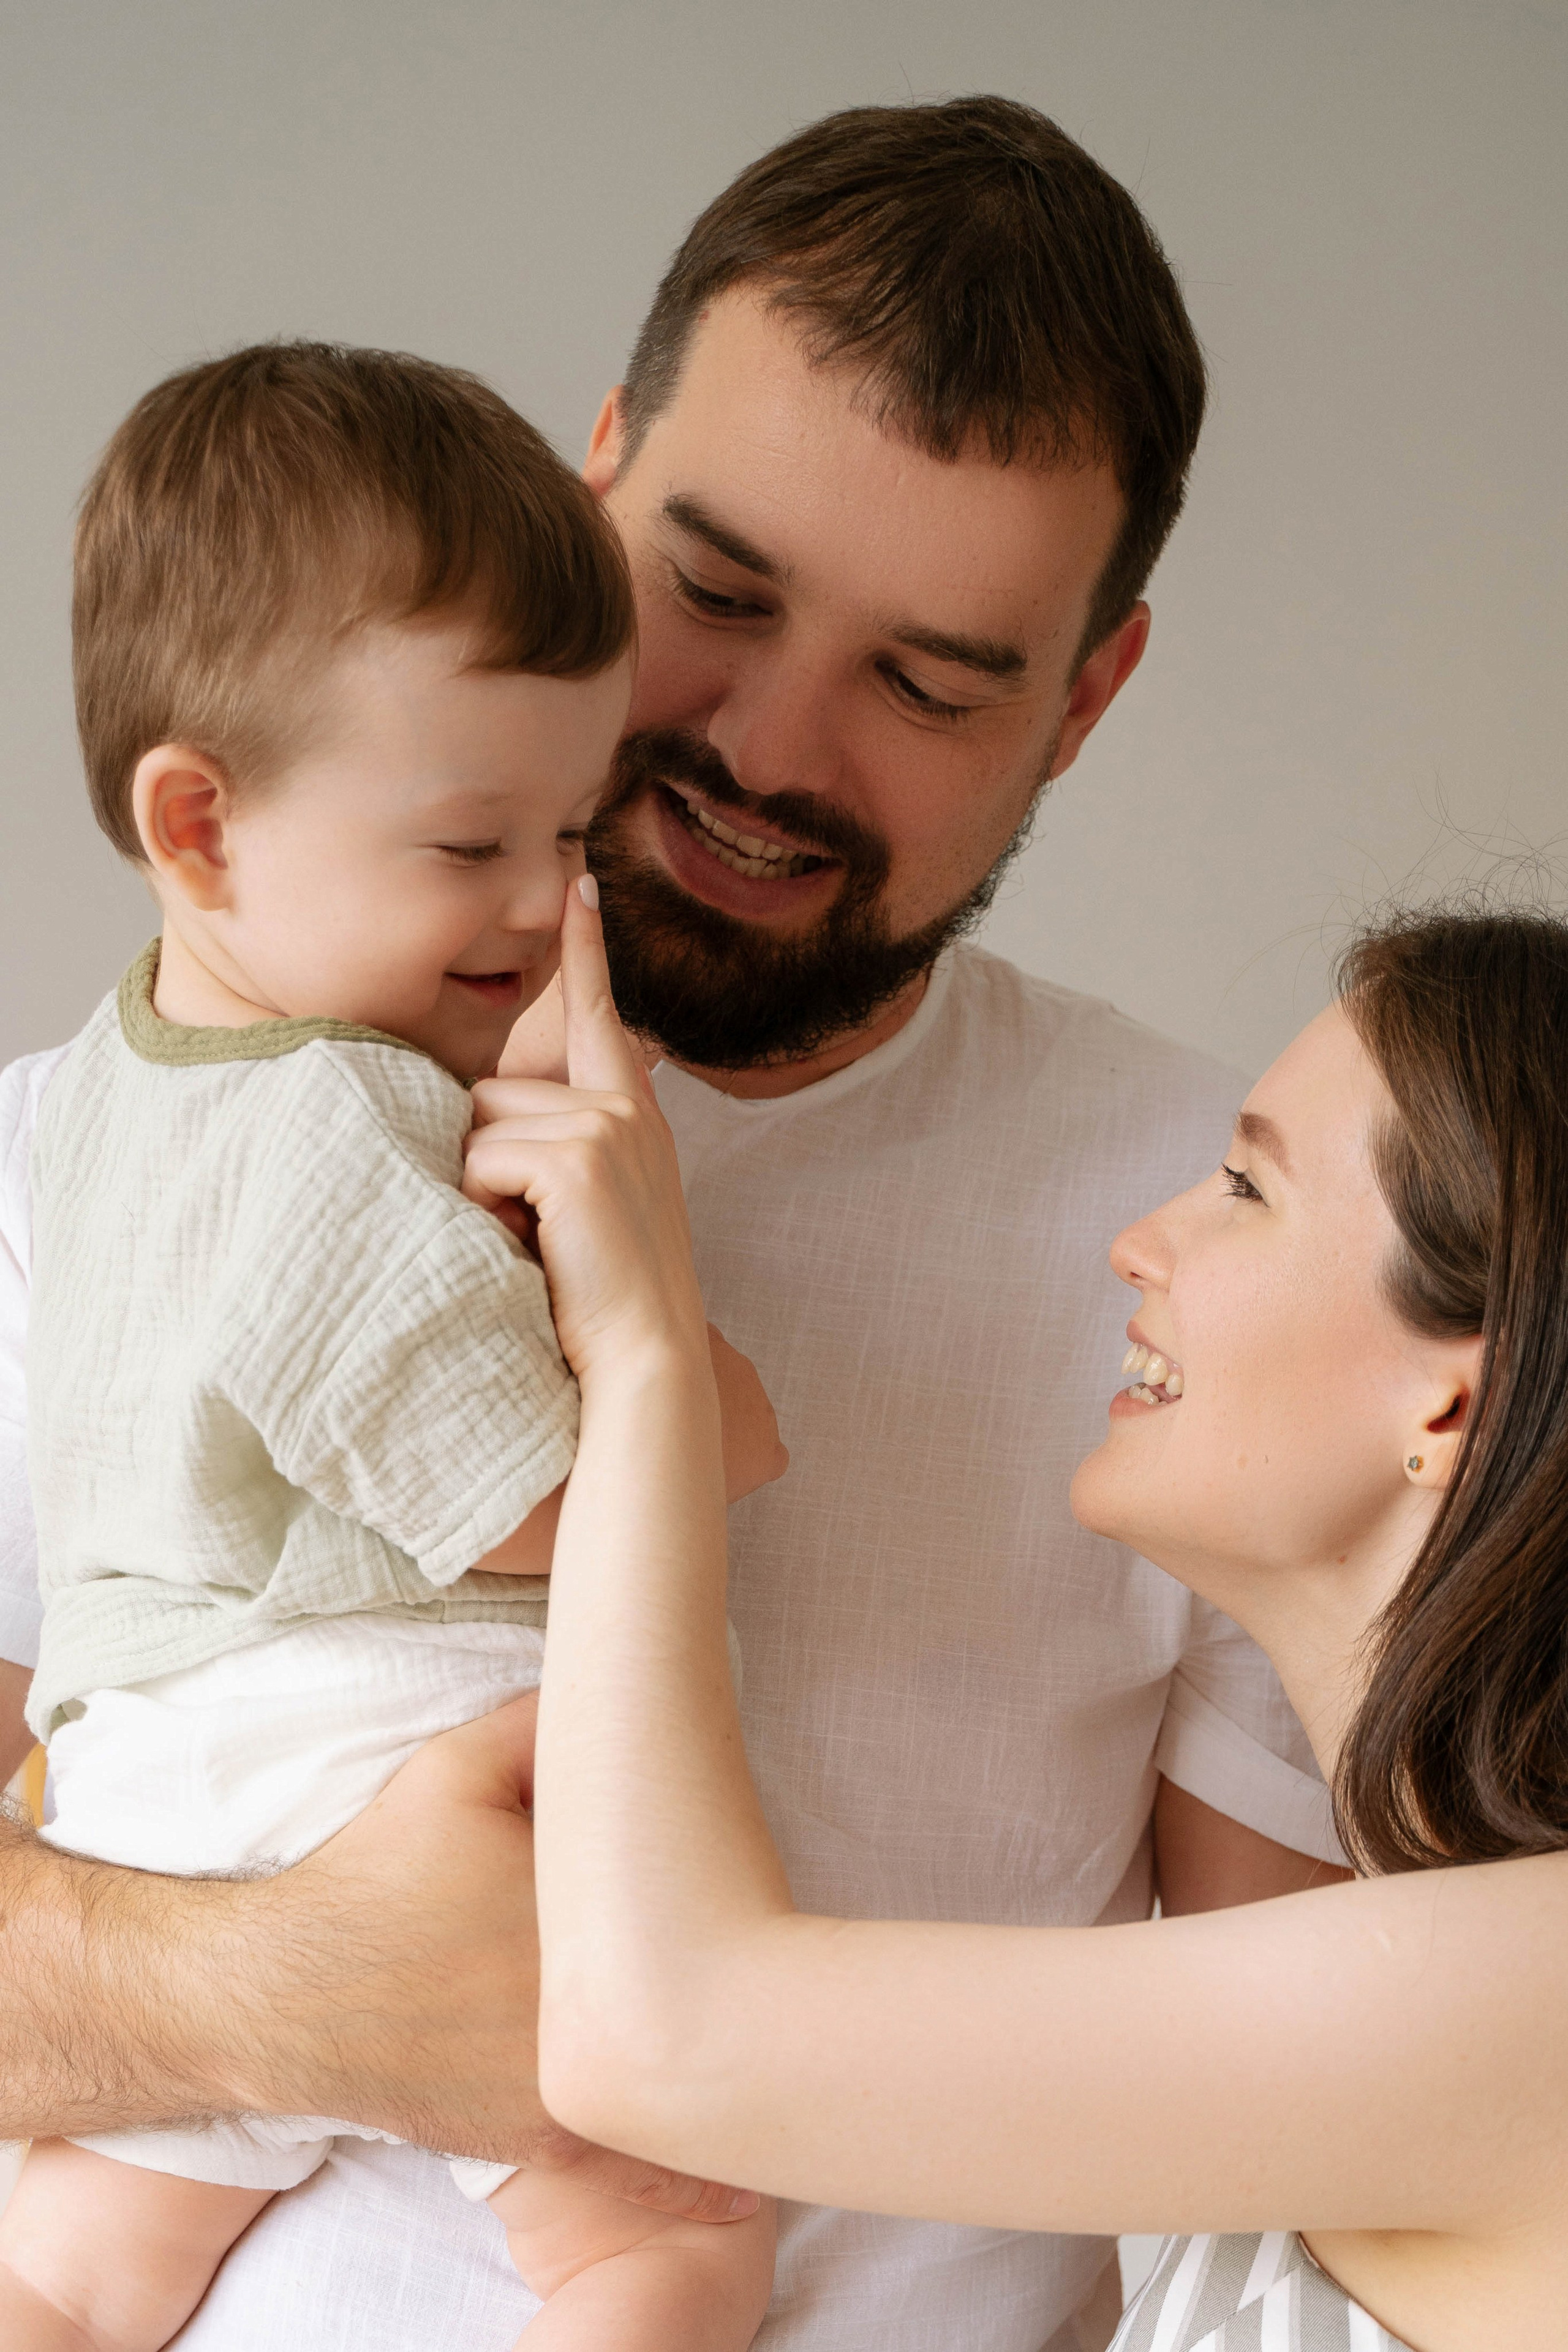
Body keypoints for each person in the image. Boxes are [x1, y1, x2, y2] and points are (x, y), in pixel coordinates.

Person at [0, 100, 1346, 2351]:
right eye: (709, 595)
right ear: (588, 475)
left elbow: (1301, 2149)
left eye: (930, 683)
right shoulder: (78, 1150)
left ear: (1090, 698)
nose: (765, 744)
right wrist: (288, 1995)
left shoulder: (1226, 1237)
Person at [479, 886, 1568, 2352]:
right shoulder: (1431, 1955)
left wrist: (648, 1350)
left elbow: (649, 2039)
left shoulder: (1518, 1993)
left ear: (1451, 1394)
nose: (1141, 1243)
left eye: (1245, 1191)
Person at [0, 342, 785, 2352]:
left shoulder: (92, 1096)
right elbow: (524, 1499)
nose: (545, 906)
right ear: (202, 826)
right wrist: (681, 1372)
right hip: (375, 1751)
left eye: (572, 832)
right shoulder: (342, 1124)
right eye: (472, 846)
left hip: (143, 1791)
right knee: (667, 2237)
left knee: (72, 2272)